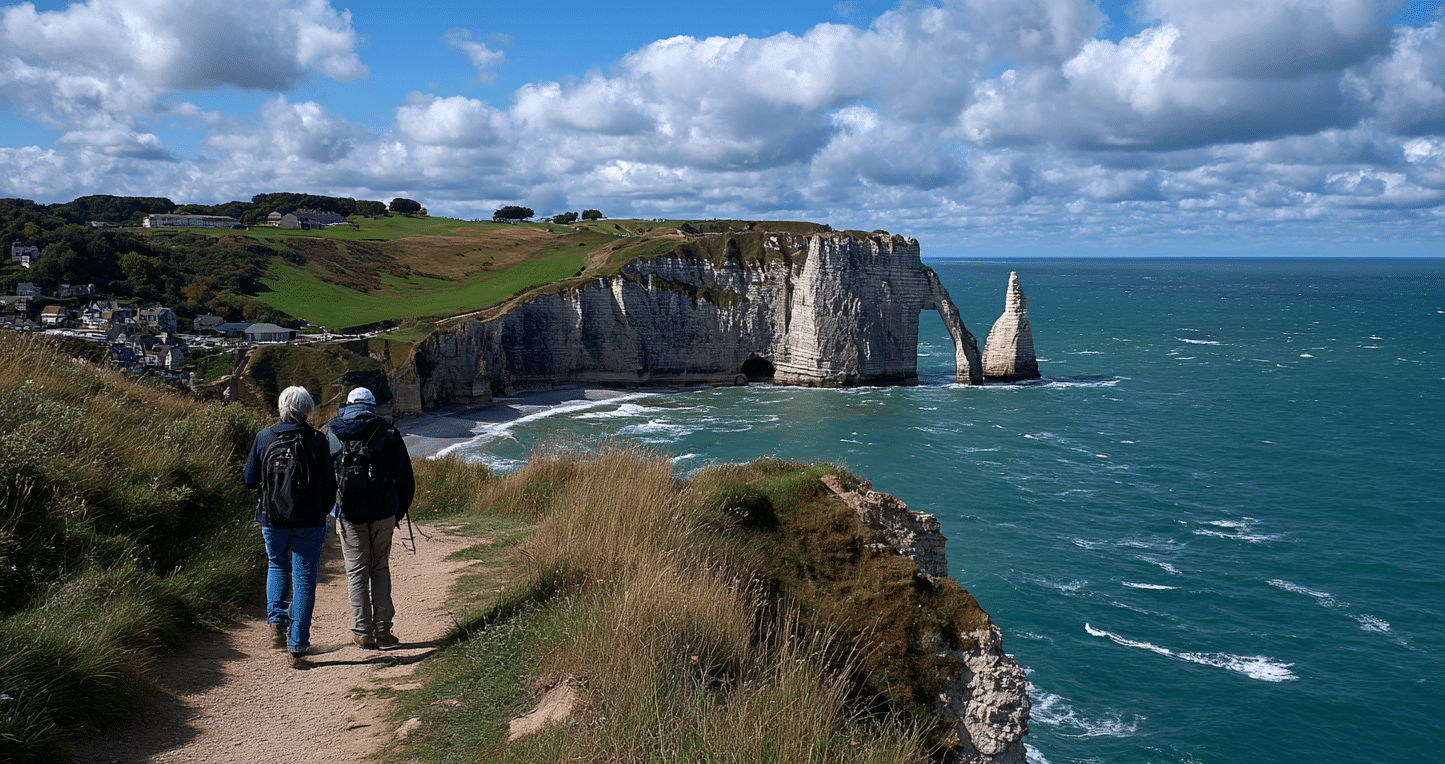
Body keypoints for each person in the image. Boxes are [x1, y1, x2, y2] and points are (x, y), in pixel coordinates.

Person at [243, 386, 335, 669]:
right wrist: (322, 512)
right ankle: (298, 643)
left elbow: (249, 480)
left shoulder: (264, 437)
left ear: (281, 407)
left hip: (272, 518)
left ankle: (276, 626)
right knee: (304, 576)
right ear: (308, 409)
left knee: (277, 565)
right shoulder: (318, 440)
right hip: (310, 520)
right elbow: (329, 485)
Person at [325, 387, 415, 650]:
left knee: (356, 572)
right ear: (372, 407)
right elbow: (406, 480)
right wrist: (397, 512)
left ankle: (363, 631)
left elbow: (325, 476)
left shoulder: (333, 432)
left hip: (348, 514)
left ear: (348, 405)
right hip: (384, 512)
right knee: (380, 567)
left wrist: (333, 509)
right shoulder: (388, 432)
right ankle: (384, 631)